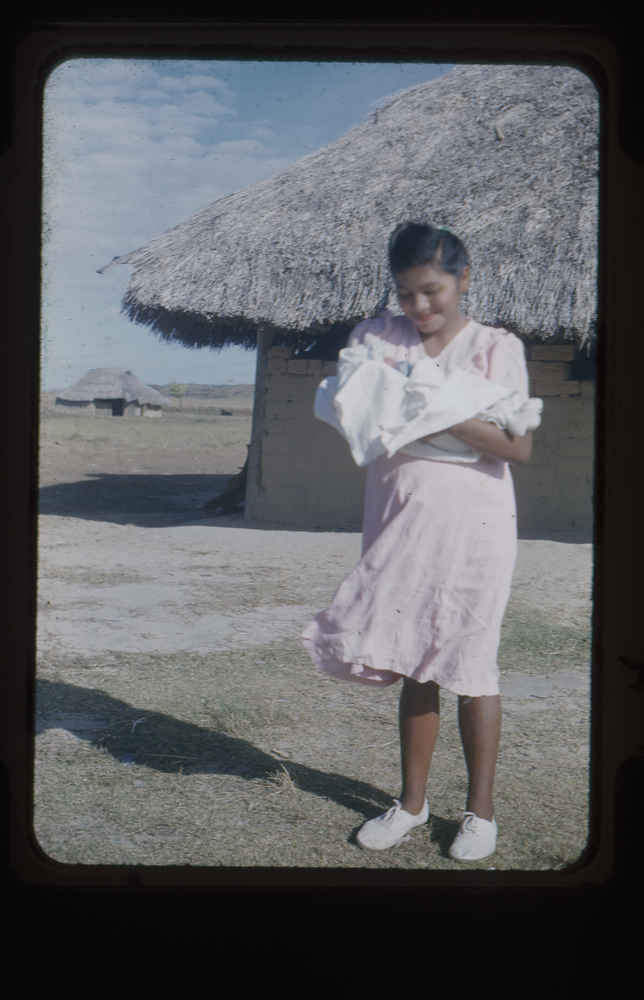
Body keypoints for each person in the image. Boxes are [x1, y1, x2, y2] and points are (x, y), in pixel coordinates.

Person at [301, 221, 533, 862]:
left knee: (471, 662)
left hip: (475, 527)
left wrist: (432, 407)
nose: (421, 308)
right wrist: (431, 411)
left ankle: (480, 815)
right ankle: (410, 804)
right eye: (407, 296)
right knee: (413, 655)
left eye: (432, 291)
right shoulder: (376, 337)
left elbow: (517, 444)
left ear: (463, 279)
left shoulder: (494, 347)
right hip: (399, 521)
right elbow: (357, 412)